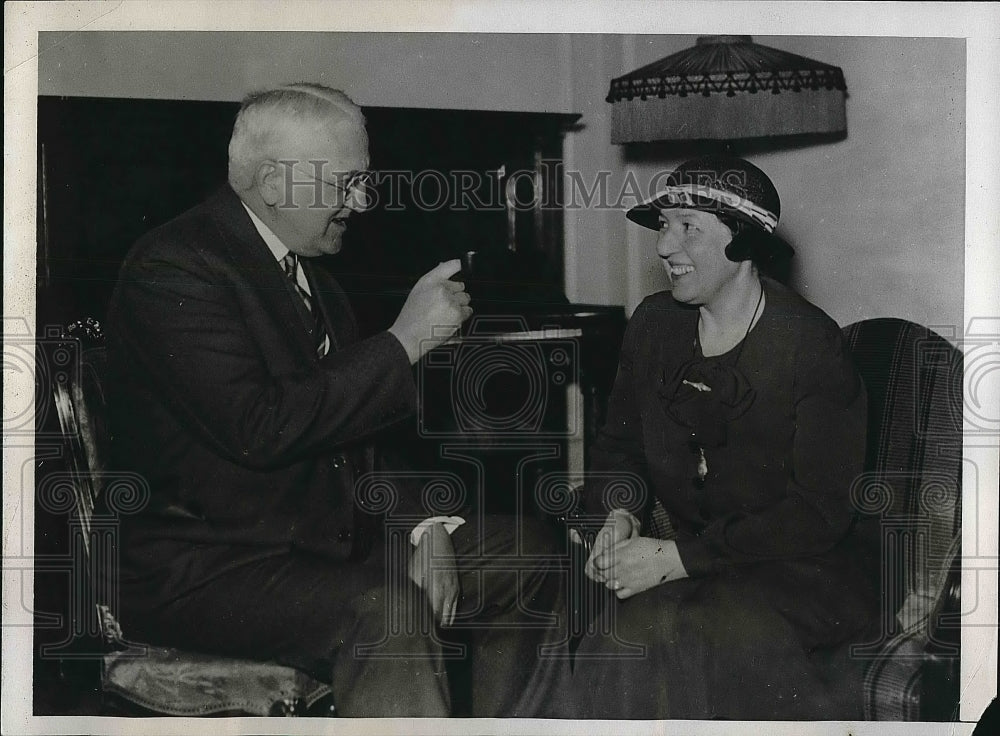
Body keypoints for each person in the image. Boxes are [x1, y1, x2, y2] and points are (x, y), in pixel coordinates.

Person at [105, 83, 568, 717]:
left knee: (536, 554)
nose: (362, 202)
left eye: (364, 182)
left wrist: (426, 526)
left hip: (324, 545)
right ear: (273, 183)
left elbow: (359, 441)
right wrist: (403, 342)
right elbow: (260, 426)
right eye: (346, 183)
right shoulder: (173, 268)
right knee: (388, 610)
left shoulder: (315, 278)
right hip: (210, 571)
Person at [568, 157, 879, 719]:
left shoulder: (808, 345)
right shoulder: (654, 326)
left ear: (743, 243)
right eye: (664, 225)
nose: (664, 246)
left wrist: (678, 557)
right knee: (621, 634)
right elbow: (620, 447)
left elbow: (818, 512)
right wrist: (618, 516)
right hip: (701, 564)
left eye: (689, 227)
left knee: (717, 630)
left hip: (805, 571)